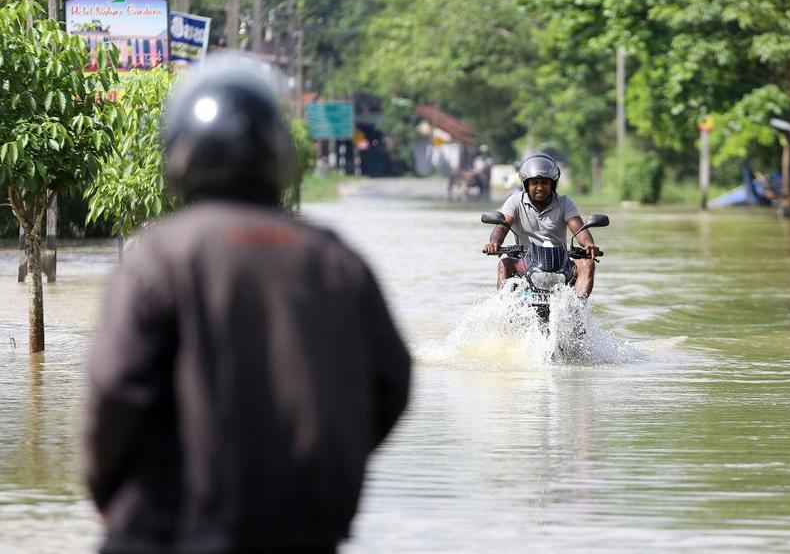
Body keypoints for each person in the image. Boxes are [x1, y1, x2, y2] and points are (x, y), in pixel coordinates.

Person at [83, 53, 411, 554]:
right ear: (279, 157)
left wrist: (108, 491)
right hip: (304, 531)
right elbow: (391, 384)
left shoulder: (160, 255)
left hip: (166, 528)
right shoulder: (335, 260)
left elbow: (116, 389)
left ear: (180, 156)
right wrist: (316, 468)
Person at [483, 153, 600, 296]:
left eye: (545, 182)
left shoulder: (564, 203)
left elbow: (578, 227)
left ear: (552, 185)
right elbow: (502, 226)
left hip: (561, 265)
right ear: (527, 184)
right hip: (524, 263)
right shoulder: (515, 201)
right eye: (534, 183)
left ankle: (577, 310)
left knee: (587, 264)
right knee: (504, 263)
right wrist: (494, 242)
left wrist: (588, 244)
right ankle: (505, 308)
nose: (539, 187)